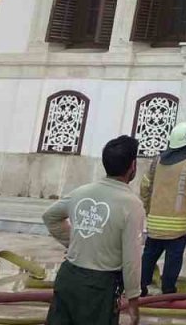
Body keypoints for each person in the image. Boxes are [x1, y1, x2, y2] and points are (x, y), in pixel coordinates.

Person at [42, 135, 144, 325]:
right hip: (99, 287)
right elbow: (132, 259)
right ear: (133, 165)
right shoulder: (131, 205)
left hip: (68, 278)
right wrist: (133, 300)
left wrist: (78, 241)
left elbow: (50, 217)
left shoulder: (81, 193)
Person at [139, 122, 186, 296]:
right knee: (174, 258)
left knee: (149, 255)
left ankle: (140, 287)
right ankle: (168, 289)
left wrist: (149, 209)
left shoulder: (156, 161)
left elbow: (144, 187)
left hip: (155, 221)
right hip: (178, 224)